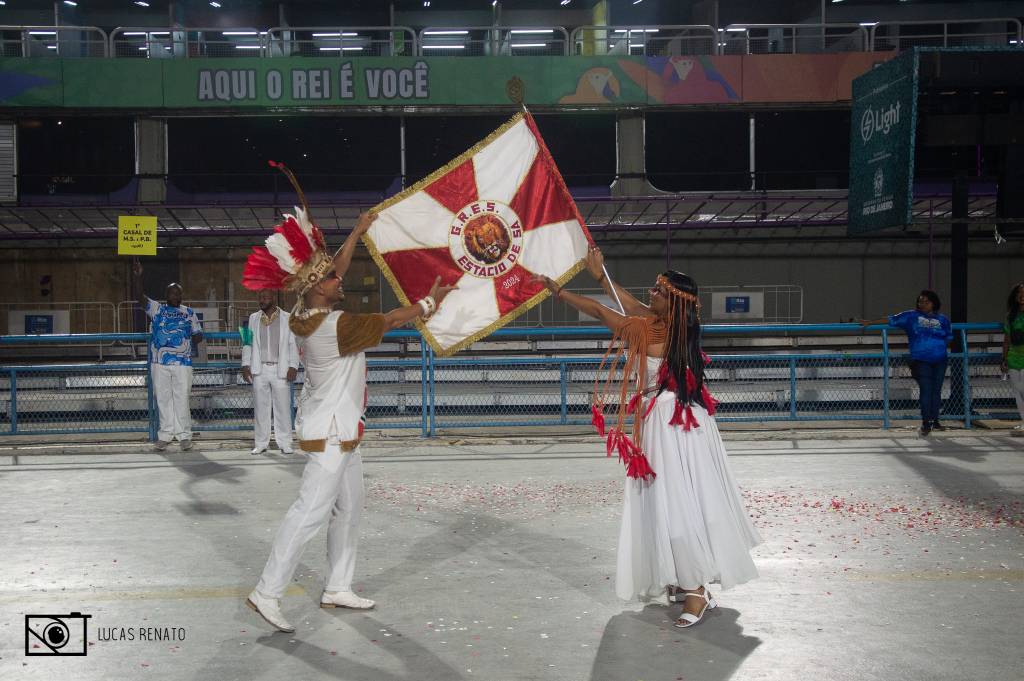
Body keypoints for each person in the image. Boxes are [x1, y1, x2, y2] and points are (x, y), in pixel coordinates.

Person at [241, 165, 456, 633]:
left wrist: (357, 232)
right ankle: (267, 591)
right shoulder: (336, 327)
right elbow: (393, 318)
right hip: (331, 433)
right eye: (333, 281)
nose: (342, 280)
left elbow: (333, 266)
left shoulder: (305, 311)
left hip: (343, 429)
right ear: (319, 288)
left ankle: (338, 585)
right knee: (309, 512)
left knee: (350, 507)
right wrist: (428, 302)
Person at [534, 246, 762, 629]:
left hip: (672, 427)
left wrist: (560, 293)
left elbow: (604, 313)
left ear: (672, 301)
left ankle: (696, 590)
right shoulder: (670, 324)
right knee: (674, 503)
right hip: (677, 420)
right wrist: (600, 273)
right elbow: (629, 304)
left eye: (659, 290)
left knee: (678, 503)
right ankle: (684, 577)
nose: (651, 294)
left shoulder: (651, 330)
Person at [132, 260, 203, 452]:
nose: (176, 295)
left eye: (178, 292)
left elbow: (198, 334)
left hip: (183, 363)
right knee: (163, 398)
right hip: (159, 363)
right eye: (172, 292)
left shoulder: (189, 312)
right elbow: (139, 297)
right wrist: (138, 277)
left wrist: (190, 337)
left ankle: (184, 436)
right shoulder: (157, 309)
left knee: (182, 398)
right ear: (166, 295)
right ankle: (165, 435)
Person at [861, 290, 953, 436]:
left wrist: (937, 346)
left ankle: (935, 420)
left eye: (926, 301)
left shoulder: (943, 319)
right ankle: (925, 422)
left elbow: (949, 336)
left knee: (936, 391)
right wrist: (870, 322)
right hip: (921, 359)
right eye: (920, 301)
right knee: (926, 389)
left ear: (934, 303)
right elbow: (891, 319)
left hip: (940, 359)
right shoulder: (911, 316)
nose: (922, 304)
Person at [241, 289, 300, 455]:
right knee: (261, 408)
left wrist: (293, 366)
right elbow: (247, 343)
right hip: (259, 369)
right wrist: (245, 365)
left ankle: (285, 442)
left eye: (266, 296)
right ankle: (260, 443)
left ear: (274, 297)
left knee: (283, 408)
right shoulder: (252, 318)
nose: (262, 299)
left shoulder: (288, 318)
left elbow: (293, 344)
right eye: (260, 297)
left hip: (280, 368)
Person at [1001, 282, 1024, 436]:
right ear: (1015, 297)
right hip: (1014, 358)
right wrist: (1004, 358)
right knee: (1018, 392)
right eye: (1019, 293)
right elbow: (1007, 339)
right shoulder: (1011, 316)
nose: (1022, 296)